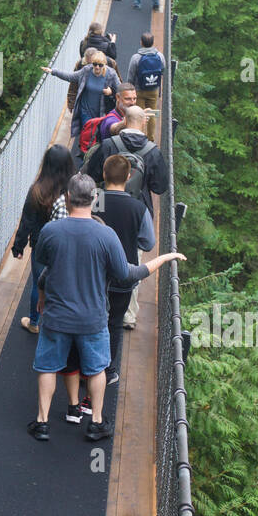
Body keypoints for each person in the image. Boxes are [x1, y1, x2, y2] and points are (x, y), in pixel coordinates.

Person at [28, 174, 184, 442]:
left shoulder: (50, 232)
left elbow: (45, 266)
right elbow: (126, 274)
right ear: (94, 199)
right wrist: (165, 258)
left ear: (66, 198)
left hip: (56, 317)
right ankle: (97, 422)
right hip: (92, 319)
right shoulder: (106, 235)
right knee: (97, 369)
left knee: (47, 367)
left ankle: (42, 423)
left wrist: (42, 296)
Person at [97, 154, 155, 383]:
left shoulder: (96, 199)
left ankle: (86, 364)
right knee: (115, 322)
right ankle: (108, 369)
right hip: (123, 275)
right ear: (129, 177)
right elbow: (148, 243)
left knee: (93, 317)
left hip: (95, 271)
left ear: (103, 174)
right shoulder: (138, 207)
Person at [11, 145, 74, 333]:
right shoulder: (74, 187)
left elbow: (27, 222)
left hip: (41, 245)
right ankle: (61, 323)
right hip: (68, 244)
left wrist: (18, 247)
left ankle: (34, 322)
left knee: (39, 282)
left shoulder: (37, 191)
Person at [42, 53, 119, 159]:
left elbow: (120, 89)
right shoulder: (86, 71)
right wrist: (53, 71)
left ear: (104, 65)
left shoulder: (111, 74)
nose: (97, 67)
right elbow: (70, 76)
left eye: (100, 65)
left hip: (101, 112)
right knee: (88, 135)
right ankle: (86, 158)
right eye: (95, 64)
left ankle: (93, 157)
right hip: (85, 111)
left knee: (98, 137)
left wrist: (111, 92)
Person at [125, 31, 166, 142]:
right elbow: (162, 70)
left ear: (141, 42)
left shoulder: (136, 58)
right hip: (153, 90)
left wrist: (130, 90)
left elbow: (130, 76)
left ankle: (140, 138)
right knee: (151, 114)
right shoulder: (160, 56)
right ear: (153, 43)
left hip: (139, 90)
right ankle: (151, 139)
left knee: (139, 114)